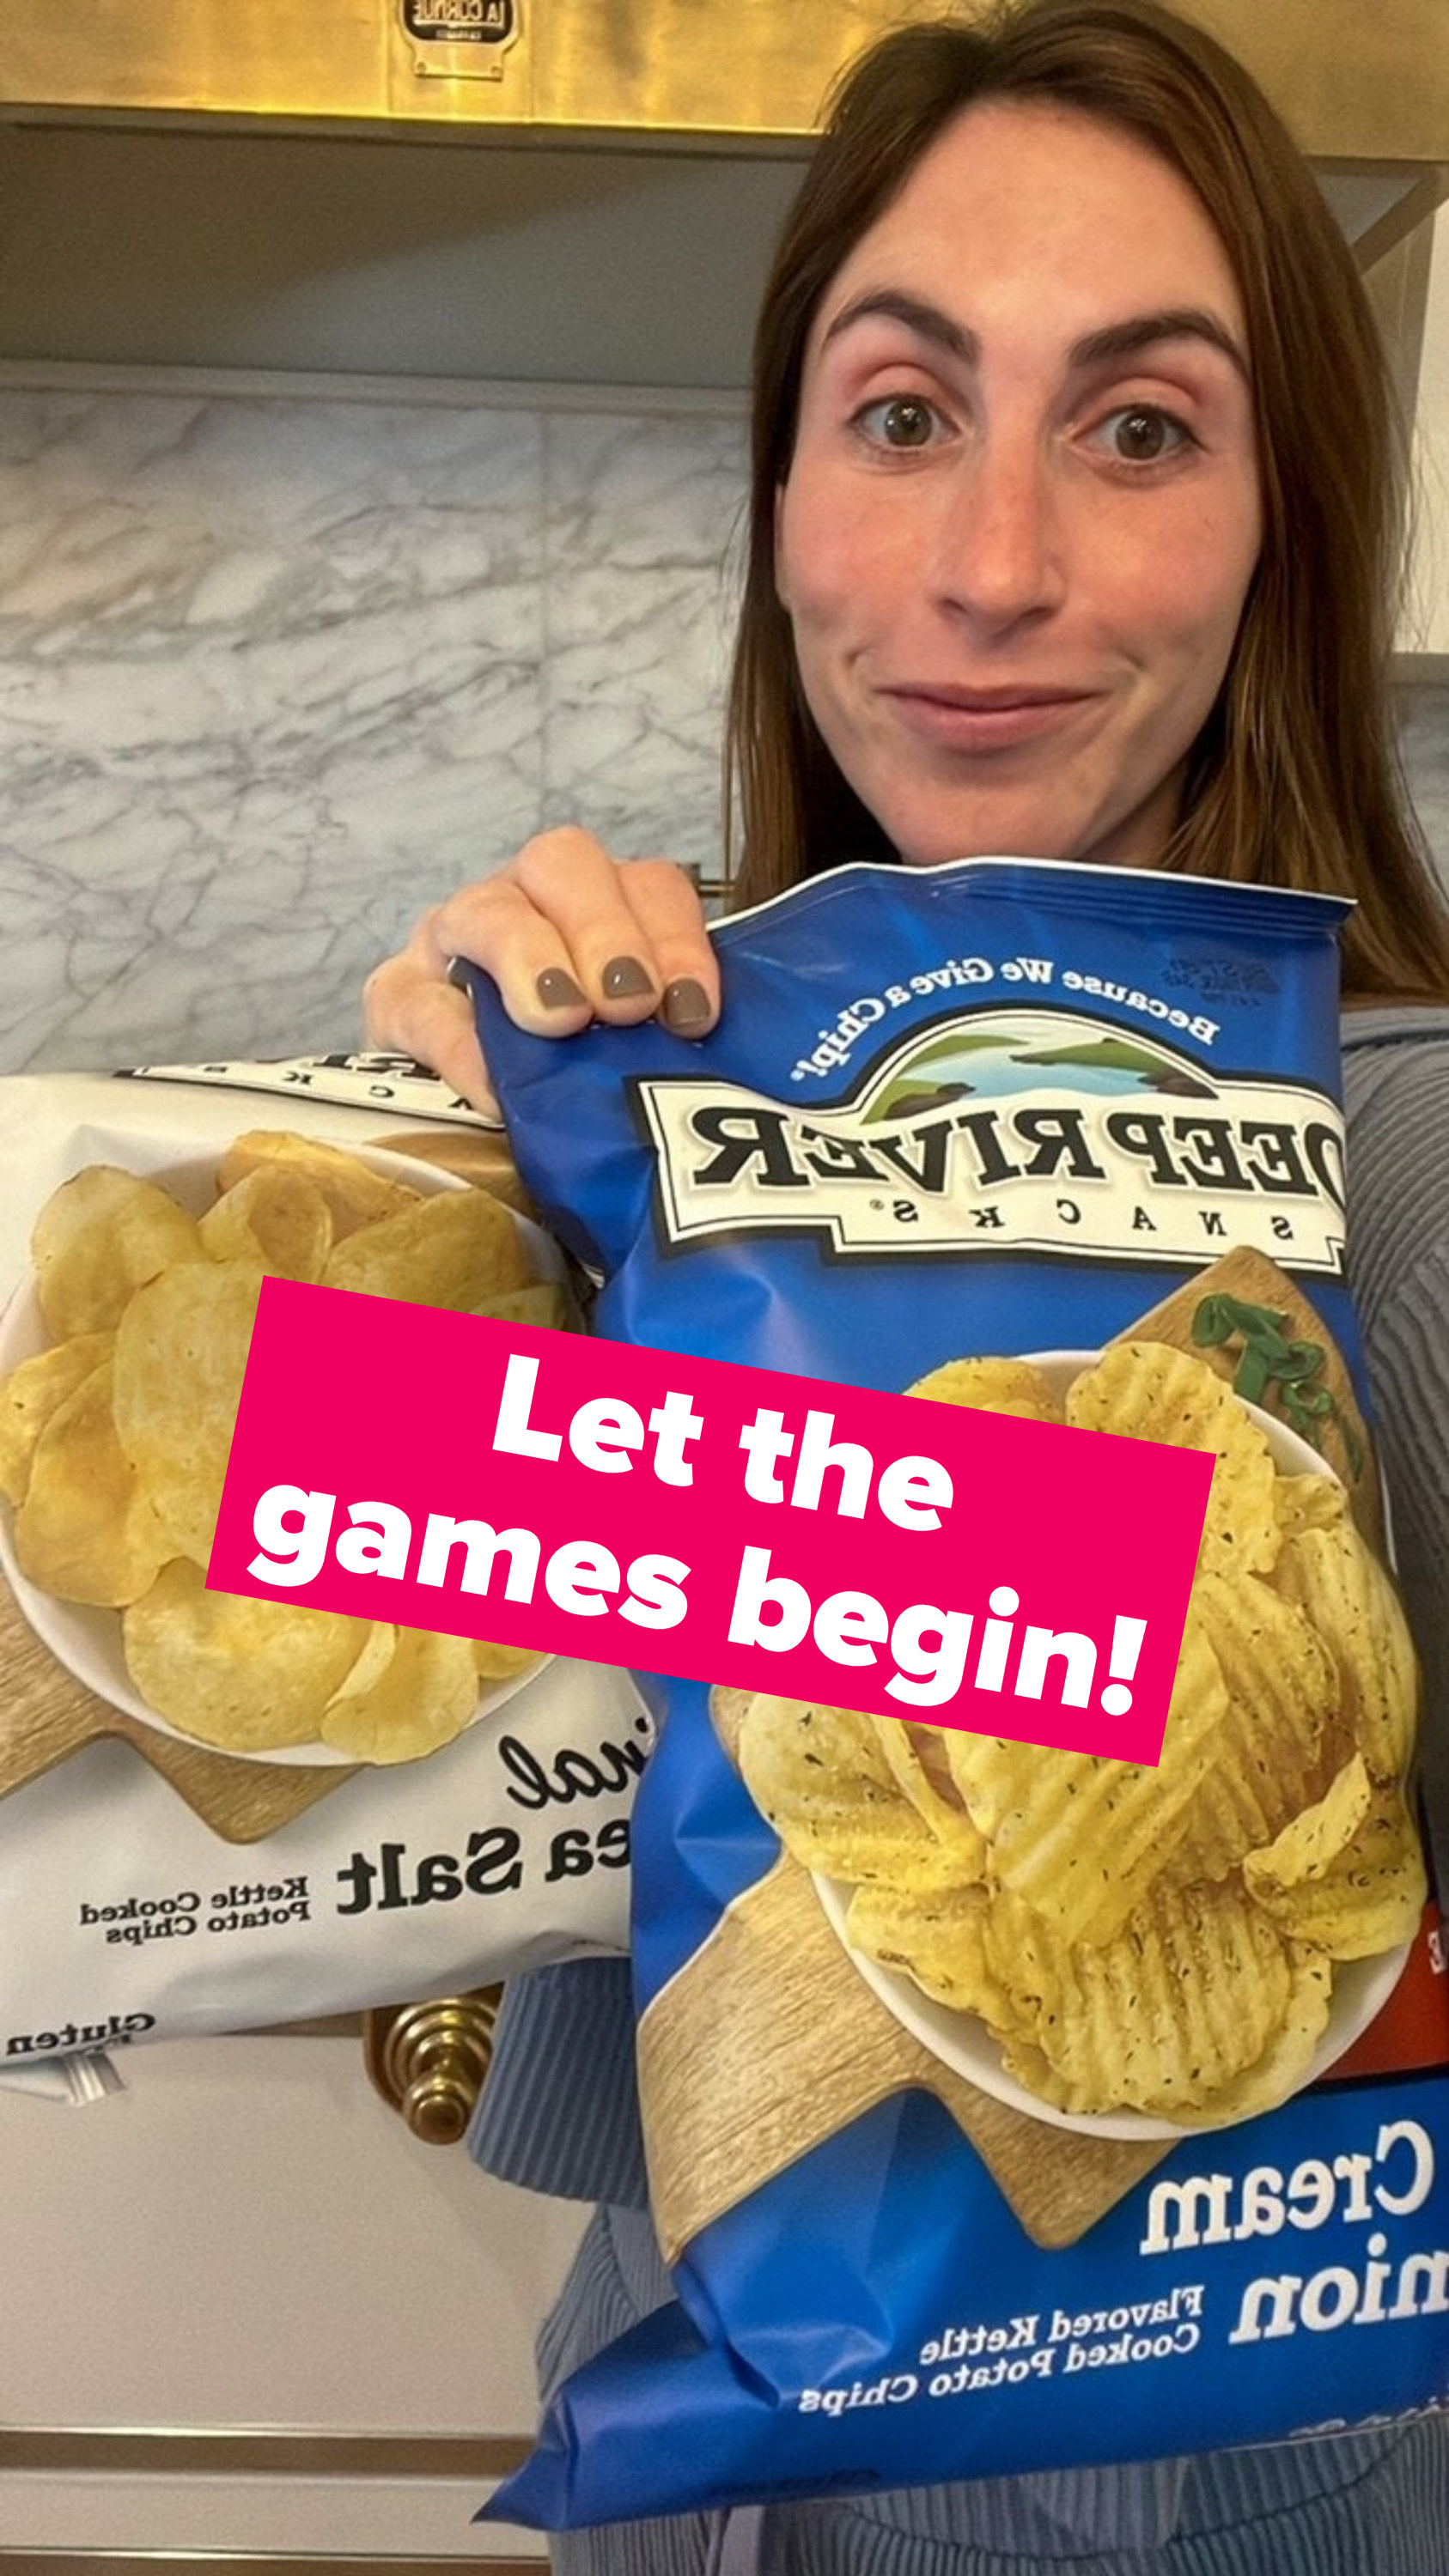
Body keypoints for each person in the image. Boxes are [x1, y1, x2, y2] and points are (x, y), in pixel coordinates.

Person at [364, 2, 1449, 2566]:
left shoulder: (1407, 1174)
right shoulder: (654, 1146)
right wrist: (460, 1251)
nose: (992, 567)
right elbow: (572, 2061)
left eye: (1143, 428)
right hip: (688, 2505)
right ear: (780, 499)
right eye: (902, 414)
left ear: (1285, 526)